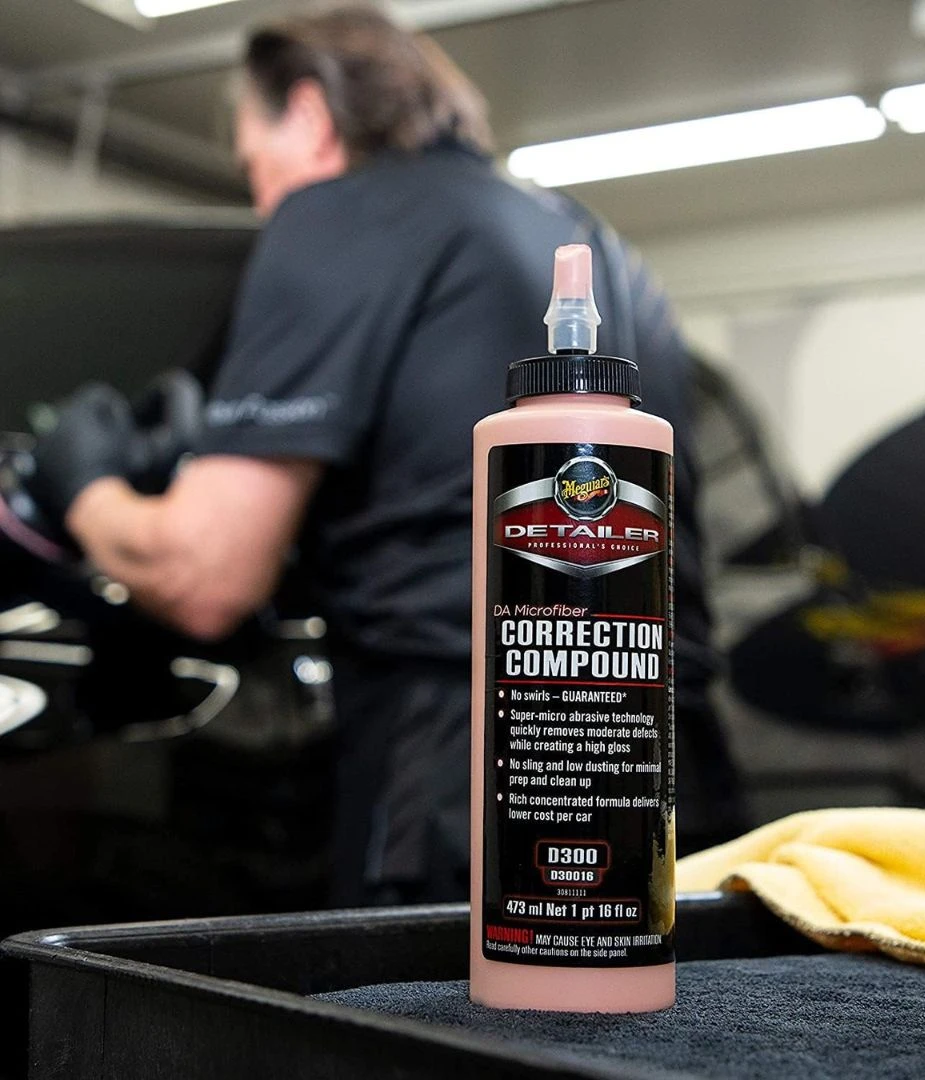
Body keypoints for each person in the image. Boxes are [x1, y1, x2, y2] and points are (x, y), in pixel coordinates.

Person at [27, 5, 744, 905]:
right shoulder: (594, 242)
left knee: (443, 1003)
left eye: (254, 161)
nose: (264, 198)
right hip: (673, 761)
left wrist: (82, 481)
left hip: (466, 766)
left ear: (309, 115)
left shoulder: (337, 214)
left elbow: (205, 576)